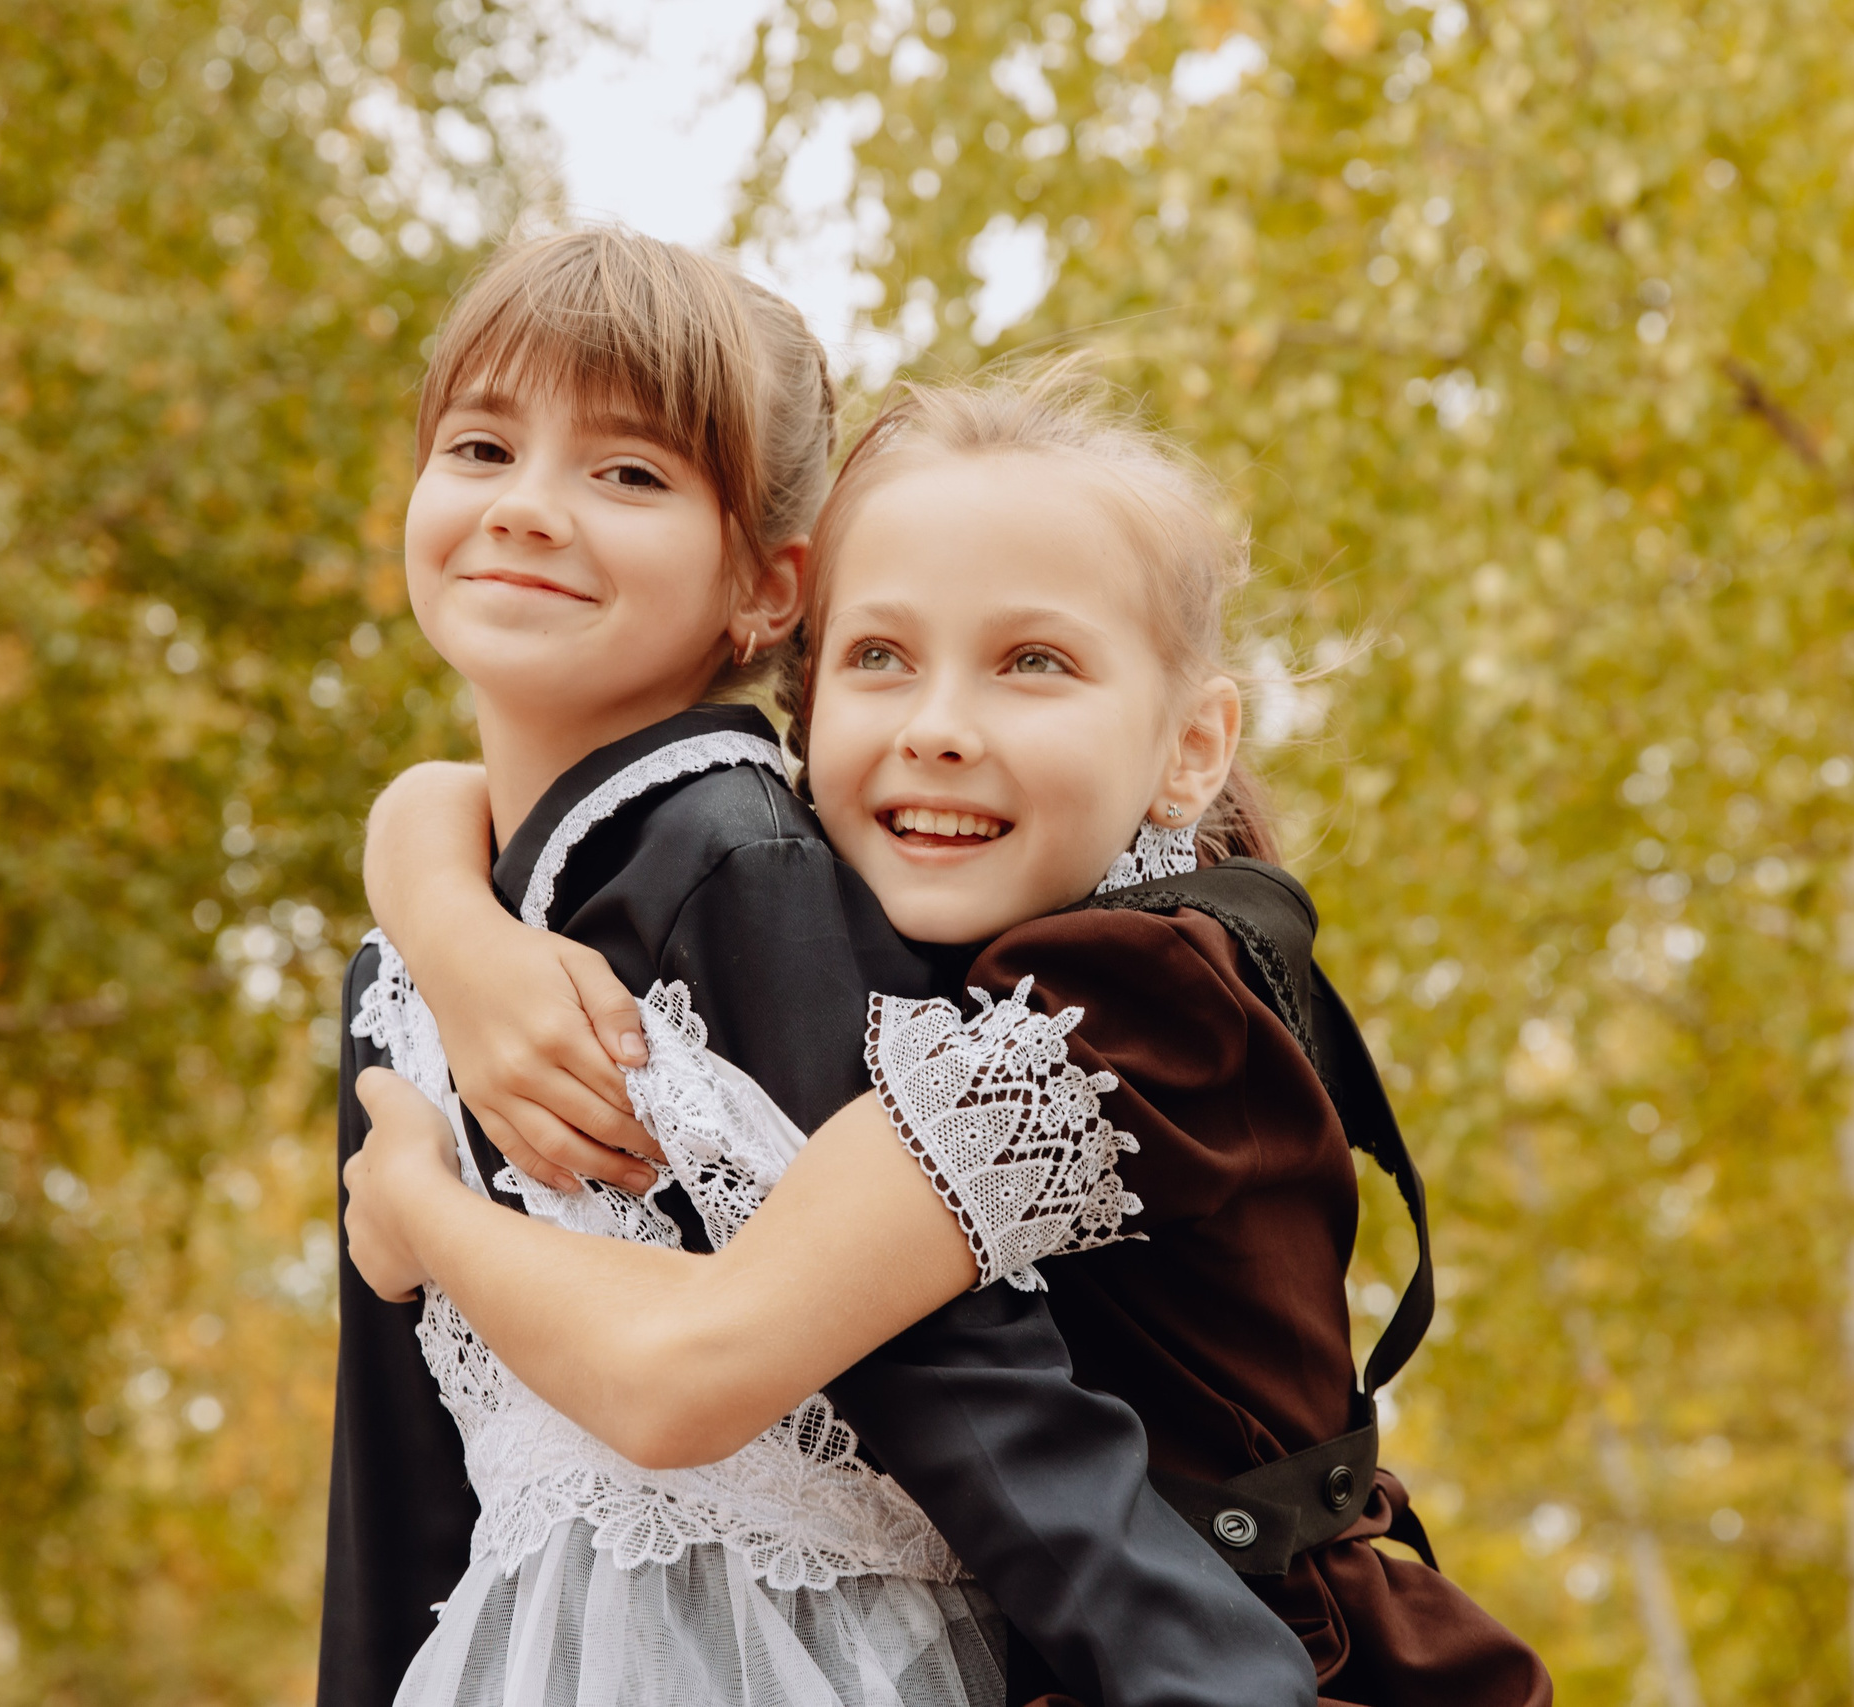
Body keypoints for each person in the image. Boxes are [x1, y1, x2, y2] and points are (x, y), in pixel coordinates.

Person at [350, 371, 1553, 1706]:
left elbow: (684, 1372)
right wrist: (454, 931)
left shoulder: (1127, 1008)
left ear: (1191, 746)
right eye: (879, 657)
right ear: (802, 719)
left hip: (1237, 1670)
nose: (936, 729)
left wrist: (414, 1202)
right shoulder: (914, 947)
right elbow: (450, 791)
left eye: (1032, 663)